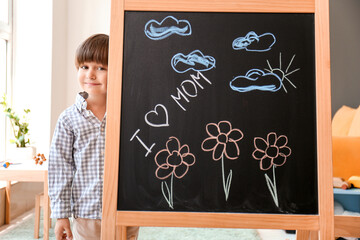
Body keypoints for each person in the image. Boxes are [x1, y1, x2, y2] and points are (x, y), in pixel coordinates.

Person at [48, 34, 139, 240]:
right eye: (84, 67)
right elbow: (59, 168)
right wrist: (61, 215)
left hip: (125, 210)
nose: (90, 74)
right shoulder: (68, 119)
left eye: (101, 68)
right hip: (86, 213)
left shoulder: (130, 114)